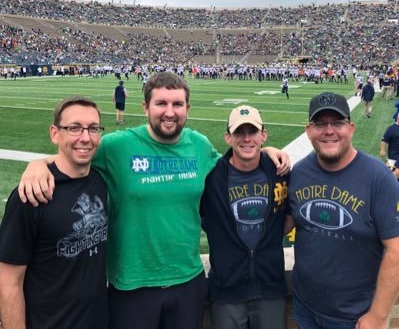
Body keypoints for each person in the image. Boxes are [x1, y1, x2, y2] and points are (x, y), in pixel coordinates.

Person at [17, 72, 289, 329]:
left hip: (187, 281)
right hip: (133, 286)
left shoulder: (199, 144)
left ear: (187, 109)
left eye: (177, 104)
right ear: (146, 107)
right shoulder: (117, 145)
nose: (169, 112)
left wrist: (264, 150)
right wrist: (40, 164)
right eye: (161, 103)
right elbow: (76, 154)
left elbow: (233, 163)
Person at [286, 92, 399, 329]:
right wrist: (265, 154)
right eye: (320, 124)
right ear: (308, 131)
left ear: (351, 128)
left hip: (354, 318)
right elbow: (285, 224)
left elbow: (395, 251)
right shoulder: (299, 173)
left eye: (337, 123)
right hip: (305, 307)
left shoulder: (380, 179)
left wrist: (378, 316)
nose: (329, 130)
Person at [0, 96, 108, 329]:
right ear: (54, 133)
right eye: (74, 128)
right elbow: (8, 280)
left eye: (93, 128)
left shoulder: (101, 180)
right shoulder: (30, 195)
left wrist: (39, 162)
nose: (85, 137)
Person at [201, 105, 289, 329]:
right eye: (240, 132)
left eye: (253, 131)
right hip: (226, 291)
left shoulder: (279, 172)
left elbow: (290, 217)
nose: (247, 138)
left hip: (270, 287)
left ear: (264, 135)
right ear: (228, 137)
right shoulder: (211, 177)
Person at [380, 105, 399, 169]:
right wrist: (382, 150)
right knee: (392, 177)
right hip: (393, 158)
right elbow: (384, 139)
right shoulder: (391, 129)